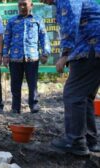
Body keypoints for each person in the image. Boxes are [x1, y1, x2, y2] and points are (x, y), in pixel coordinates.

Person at [40, 0, 100, 155]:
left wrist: (65, 54)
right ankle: (90, 140)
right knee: (85, 96)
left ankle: (75, 141)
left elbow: (71, 21)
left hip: (90, 48)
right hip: (94, 49)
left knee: (73, 94)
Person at [3, 0, 51, 114]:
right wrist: (5, 55)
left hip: (32, 57)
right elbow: (7, 39)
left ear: (31, 5)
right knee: (15, 84)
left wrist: (45, 53)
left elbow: (44, 37)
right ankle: (15, 108)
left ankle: (33, 105)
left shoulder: (38, 20)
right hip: (15, 58)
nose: (22, 7)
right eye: (20, 4)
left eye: (25, 4)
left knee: (32, 83)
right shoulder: (12, 21)